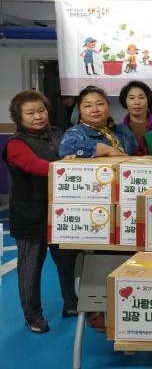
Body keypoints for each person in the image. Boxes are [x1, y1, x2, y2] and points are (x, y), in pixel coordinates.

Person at [2, 90, 78, 333]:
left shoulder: (58, 133)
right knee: (30, 270)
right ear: (19, 117)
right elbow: (35, 166)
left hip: (60, 213)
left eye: (41, 110)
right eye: (30, 113)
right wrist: (65, 166)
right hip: (29, 216)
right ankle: (33, 315)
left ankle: (72, 304)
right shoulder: (16, 144)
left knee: (67, 262)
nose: (38, 116)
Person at [59, 85, 137, 158]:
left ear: (108, 106)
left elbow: (136, 156)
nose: (95, 110)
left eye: (100, 104)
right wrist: (105, 150)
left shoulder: (122, 130)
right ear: (80, 111)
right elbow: (65, 149)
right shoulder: (76, 132)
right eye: (88, 106)